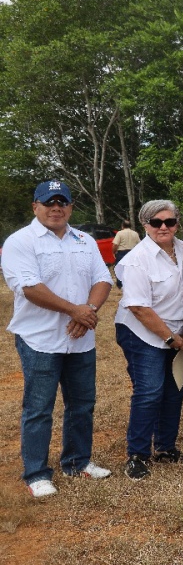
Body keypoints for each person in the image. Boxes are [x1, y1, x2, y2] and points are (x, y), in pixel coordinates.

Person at [2, 180, 113, 497]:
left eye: (62, 202)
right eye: (49, 202)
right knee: (39, 408)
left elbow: (103, 279)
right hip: (39, 339)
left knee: (82, 405)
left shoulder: (84, 240)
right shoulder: (20, 241)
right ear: (35, 206)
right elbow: (30, 288)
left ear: (71, 207)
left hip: (81, 338)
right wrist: (76, 311)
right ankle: (36, 473)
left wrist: (89, 310)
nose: (56, 207)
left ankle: (77, 462)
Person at [114, 200, 183, 480]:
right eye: (156, 222)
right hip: (142, 332)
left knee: (174, 389)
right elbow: (138, 307)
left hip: (178, 330)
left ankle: (165, 448)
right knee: (149, 391)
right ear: (145, 225)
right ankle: (137, 455)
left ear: (177, 223)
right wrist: (170, 338)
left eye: (169, 222)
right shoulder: (137, 259)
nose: (163, 227)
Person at [112, 219, 140, 288]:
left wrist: (114, 252)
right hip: (132, 253)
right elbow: (139, 244)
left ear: (122, 226)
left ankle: (120, 285)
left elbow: (115, 244)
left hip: (122, 253)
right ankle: (131, 284)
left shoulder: (120, 233)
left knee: (120, 269)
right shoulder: (135, 233)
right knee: (132, 269)